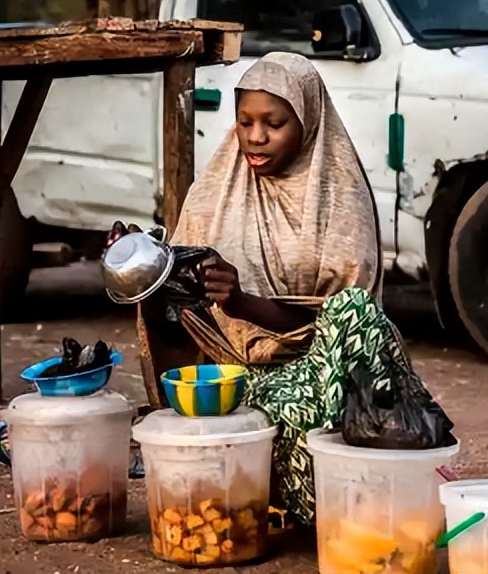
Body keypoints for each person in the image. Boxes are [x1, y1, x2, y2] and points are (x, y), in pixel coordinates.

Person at [124, 52, 453, 526]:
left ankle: (327, 492)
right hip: (237, 377)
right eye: (245, 122)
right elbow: (177, 311)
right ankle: (282, 488)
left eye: (273, 124)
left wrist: (242, 303)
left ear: (308, 122)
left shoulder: (340, 201)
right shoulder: (216, 191)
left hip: (325, 374)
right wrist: (141, 266)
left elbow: (340, 321)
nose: (255, 138)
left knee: (353, 313)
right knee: (246, 407)